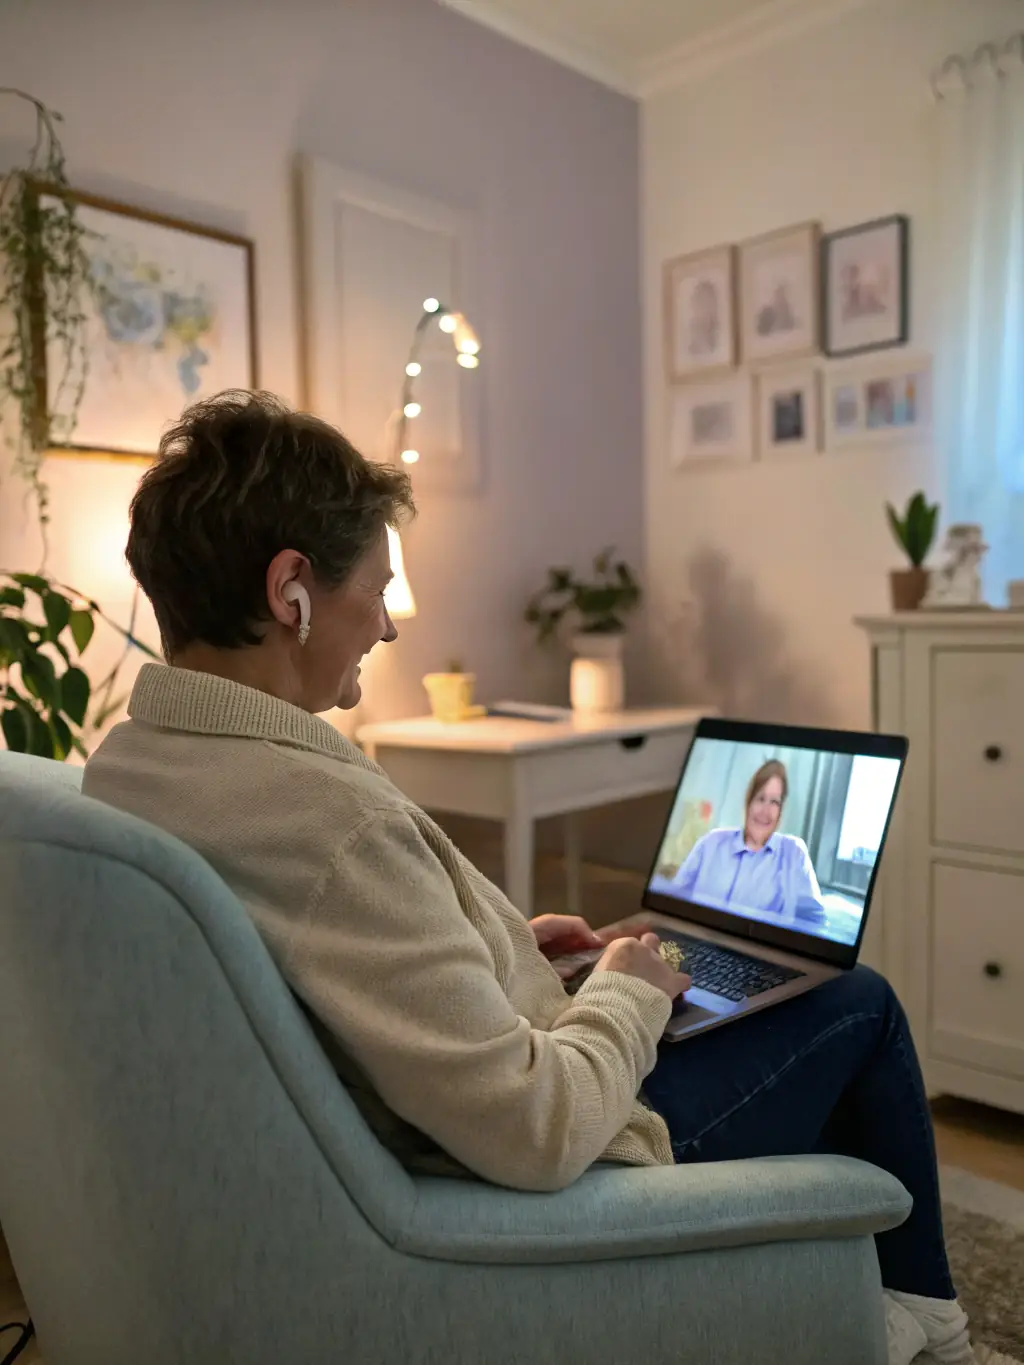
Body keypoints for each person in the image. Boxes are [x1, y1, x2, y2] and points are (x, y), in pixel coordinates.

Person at [83, 391, 974, 1365]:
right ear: (290, 588)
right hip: (529, 1167)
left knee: (719, 990)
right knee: (854, 1003)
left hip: (438, 1105)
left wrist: (496, 948)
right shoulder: (327, 821)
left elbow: (360, 968)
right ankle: (920, 1315)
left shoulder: (134, 762)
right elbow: (536, 1129)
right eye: (375, 591)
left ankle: (818, 1285)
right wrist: (630, 995)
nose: (384, 628)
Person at [672, 760, 826, 923]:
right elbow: (673, 900)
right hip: (697, 940)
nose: (765, 811)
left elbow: (815, 923)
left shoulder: (794, 853)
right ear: (748, 802)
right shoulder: (711, 842)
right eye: (760, 798)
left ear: (781, 810)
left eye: (774, 802)